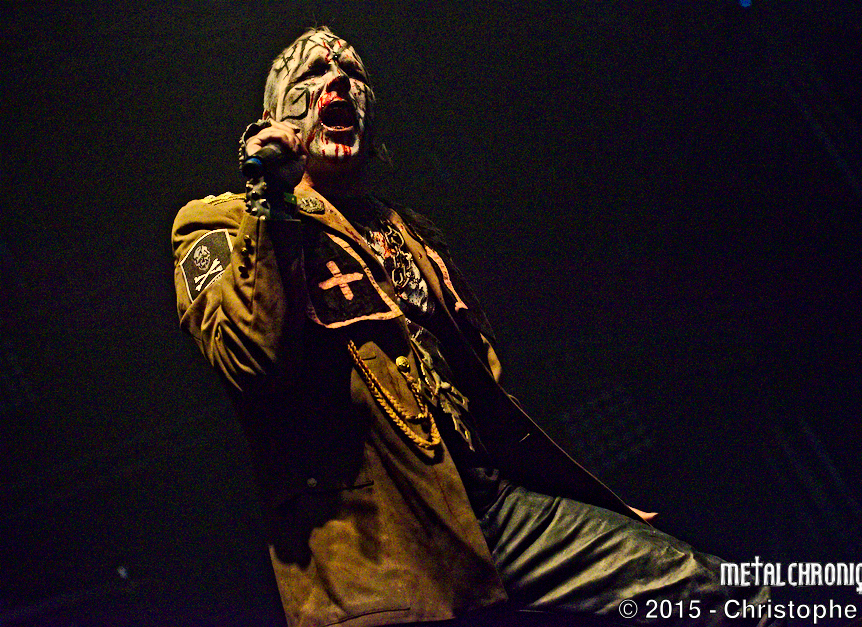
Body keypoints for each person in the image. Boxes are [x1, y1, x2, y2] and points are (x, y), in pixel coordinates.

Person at [172, 25, 777, 627]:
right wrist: (270, 204)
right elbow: (250, 360)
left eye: (353, 74)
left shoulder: (405, 231)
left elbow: (486, 392)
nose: (339, 82)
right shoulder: (217, 224)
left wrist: (583, 507)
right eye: (313, 74)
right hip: (382, 546)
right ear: (273, 118)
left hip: (490, 506)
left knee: (720, 592)